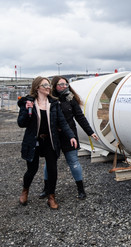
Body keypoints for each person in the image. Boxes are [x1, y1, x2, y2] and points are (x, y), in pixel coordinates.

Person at [17, 76, 77, 210]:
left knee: (52, 169)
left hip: (50, 140)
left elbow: (62, 122)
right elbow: (21, 123)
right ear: (38, 87)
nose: (49, 87)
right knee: (32, 170)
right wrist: (27, 111)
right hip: (34, 141)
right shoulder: (28, 102)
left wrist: (71, 136)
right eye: (45, 85)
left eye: (49, 85)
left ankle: (51, 197)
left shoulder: (53, 103)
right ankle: (25, 191)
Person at [39, 76, 99, 200]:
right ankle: (46, 189)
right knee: (49, 163)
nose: (64, 87)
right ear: (55, 86)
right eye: (61, 85)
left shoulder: (70, 99)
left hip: (69, 136)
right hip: (53, 136)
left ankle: (81, 189)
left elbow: (79, 117)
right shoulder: (49, 99)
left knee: (73, 162)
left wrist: (90, 132)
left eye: (66, 84)